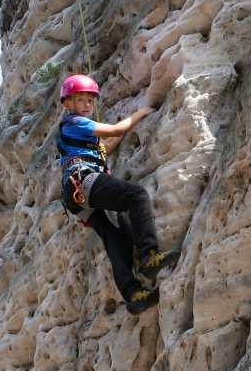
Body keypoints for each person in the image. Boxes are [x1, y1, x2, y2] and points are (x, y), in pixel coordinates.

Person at [58, 74, 179, 314]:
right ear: (67, 104)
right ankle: (149, 256)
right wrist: (141, 113)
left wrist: (122, 133)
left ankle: (133, 294)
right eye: (80, 100)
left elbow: (104, 148)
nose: (86, 105)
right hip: (83, 181)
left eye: (90, 101)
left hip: (74, 196)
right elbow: (114, 130)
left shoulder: (75, 134)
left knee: (115, 237)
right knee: (136, 196)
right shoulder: (75, 123)